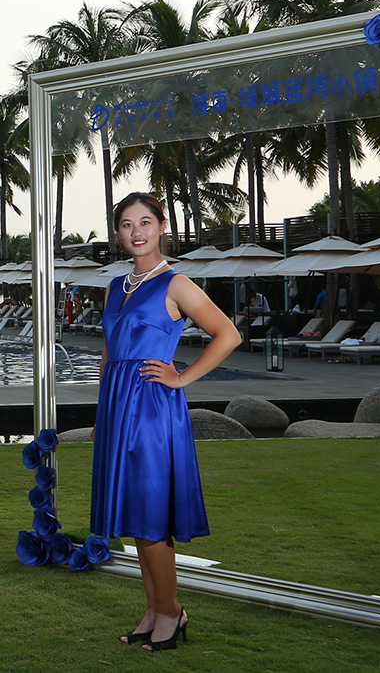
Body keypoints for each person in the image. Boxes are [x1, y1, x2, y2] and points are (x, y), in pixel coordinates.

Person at [90, 192, 241, 653]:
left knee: (152, 515)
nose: (136, 232)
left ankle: (172, 611)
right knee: (137, 517)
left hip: (152, 408)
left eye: (145, 222)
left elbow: (228, 334)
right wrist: (102, 413)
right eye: (127, 224)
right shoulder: (116, 286)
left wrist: (181, 377)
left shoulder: (177, 284)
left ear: (161, 227)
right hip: (118, 407)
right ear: (118, 233)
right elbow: (109, 352)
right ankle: (155, 611)